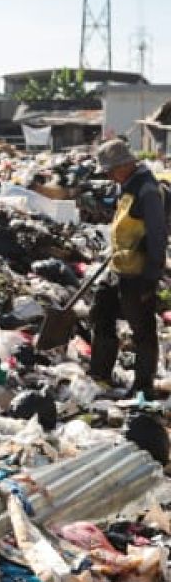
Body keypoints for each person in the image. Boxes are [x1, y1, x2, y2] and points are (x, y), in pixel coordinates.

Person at [89, 137, 168, 398]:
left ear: (126, 164)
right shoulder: (127, 185)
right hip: (118, 267)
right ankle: (100, 375)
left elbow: (158, 236)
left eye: (111, 170)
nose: (109, 176)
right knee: (101, 314)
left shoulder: (147, 190)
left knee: (142, 330)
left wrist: (150, 279)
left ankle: (142, 387)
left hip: (137, 273)